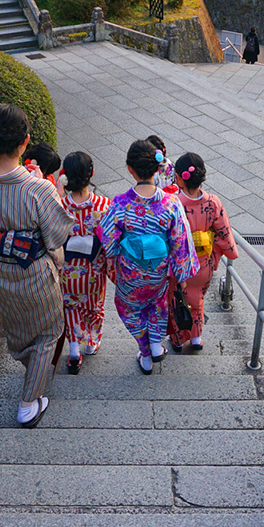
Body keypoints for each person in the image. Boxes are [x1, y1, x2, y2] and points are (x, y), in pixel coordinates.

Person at [0, 105, 74, 428]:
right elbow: (56, 236)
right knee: (49, 333)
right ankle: (28, 403)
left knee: (19, 335)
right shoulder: (38, 188)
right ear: (25, 142)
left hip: (0, 273)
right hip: (35, 272)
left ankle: (32, 373)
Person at [99, 139, 199, 374]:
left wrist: (114, 259)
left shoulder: (120, 204)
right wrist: (182, 275)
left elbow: (109, 242)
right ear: (157, 169)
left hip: (130, 274)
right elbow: (180, 242)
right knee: (156, 305)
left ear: (130, 169)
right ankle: (155, 343)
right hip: (158, 273)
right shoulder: (171, 202)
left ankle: (146, 351)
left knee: (128, 309)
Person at [166, 153, 238, 352]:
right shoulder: (213, 202)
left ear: (179, 178)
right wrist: (214, 256)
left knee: (177, 300)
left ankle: (179, 340)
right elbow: (224, 234)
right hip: (203, 264)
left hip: (179, 266)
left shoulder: (172, 203)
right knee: (197, 301)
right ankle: (196, 338)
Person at [58, 151, 113, 375]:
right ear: (91, 174)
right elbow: (110, 240)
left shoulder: (59, 206)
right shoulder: (104, 205)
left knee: (70, 307)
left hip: (68, 270)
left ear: (66, 176)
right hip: (94, 270)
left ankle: (73, 350)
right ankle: (90, 343)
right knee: (94, 307)